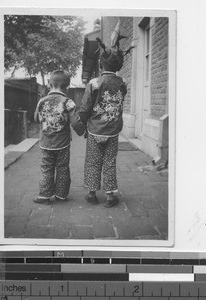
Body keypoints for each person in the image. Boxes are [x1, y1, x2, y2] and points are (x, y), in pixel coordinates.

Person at [79, 20, 134, 208]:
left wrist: (82, 124)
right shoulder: (123, 82)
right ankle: (110, 195)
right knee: (110, 161)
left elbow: (85, 107)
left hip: (95, 130)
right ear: (119, 65)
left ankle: (92, 193)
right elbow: (121, 97)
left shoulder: (94, 83)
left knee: (93, 161)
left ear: (101, 64)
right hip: (113, 130)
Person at [33, 70, 85, 204]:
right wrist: (82, 132)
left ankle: (44, 196)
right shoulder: (68, 102)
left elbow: (36, 119)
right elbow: (75, 122)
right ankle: (61, 195)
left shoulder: (41, 101)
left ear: (49, 84)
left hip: (45, 144)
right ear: (67, 86)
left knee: (46, 169)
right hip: (63, 144)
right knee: (62, 168)